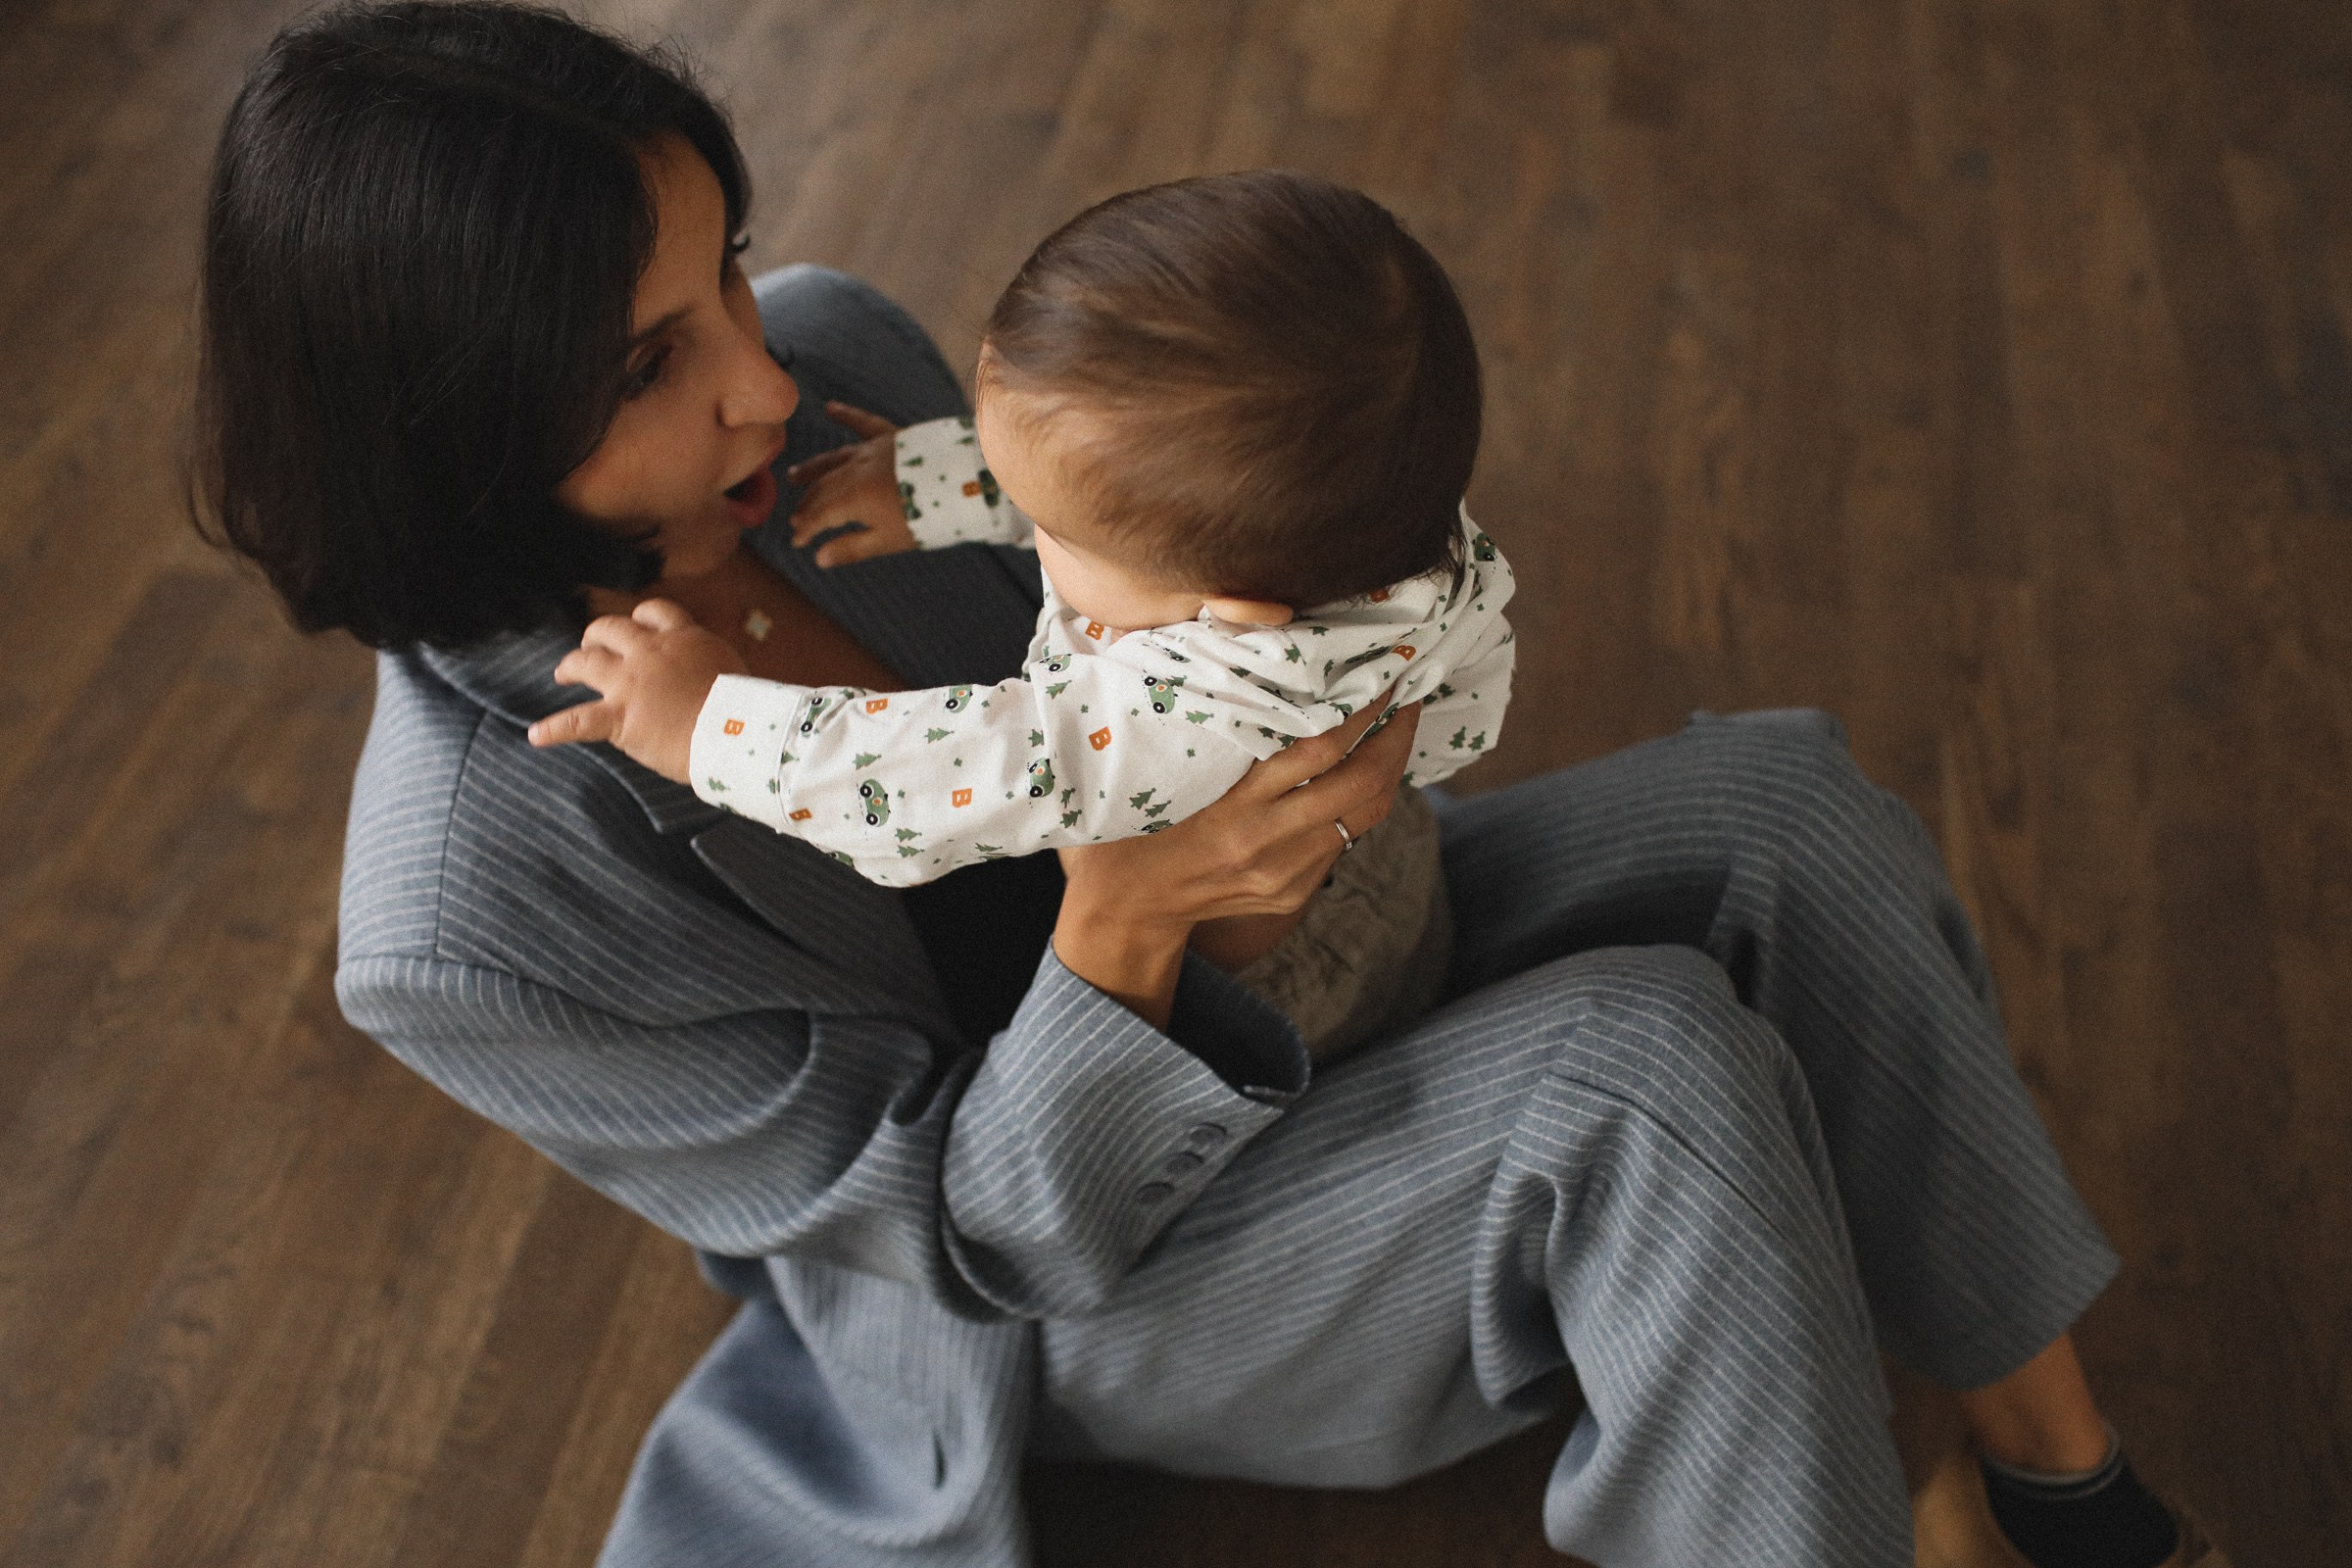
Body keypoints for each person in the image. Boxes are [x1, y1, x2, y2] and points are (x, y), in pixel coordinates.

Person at [191, 4, 2226, 1566]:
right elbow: (958, 1243)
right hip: (1063, 1263)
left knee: (1786, 803)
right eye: (648, 365)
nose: (756, 373)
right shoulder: (459, 911)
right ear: (451, 446)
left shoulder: (833, 372)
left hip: (1308, 941)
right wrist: (1131, 920)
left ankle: (2058, 1482)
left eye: (730, 270)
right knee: (1644, 1064)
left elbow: (1167, 565)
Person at [530, 171, 1517, 1058]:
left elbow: (922, 790)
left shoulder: (1184, 705)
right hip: (1388, 850)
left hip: (1307, 984)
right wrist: (929, 483)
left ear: (1229, 614)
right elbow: (1132, 498)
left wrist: (709, 722)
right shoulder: (1373, 530)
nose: (1031, 528)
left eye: (1045, 527)